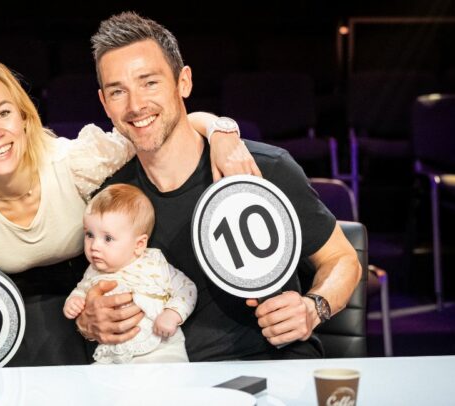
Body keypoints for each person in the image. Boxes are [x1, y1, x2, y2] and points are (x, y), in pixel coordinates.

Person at [0, 57, 257, 366]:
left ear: (23, 118)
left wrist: (219, 129)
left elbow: (154, 130)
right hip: (24, 321)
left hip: (97, 309)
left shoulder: (75, 160)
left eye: (3, 113)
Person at [75, 12, 362, 361]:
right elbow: (90, 297)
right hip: (164, 386)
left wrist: (314, 307)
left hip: (270, 370)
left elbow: (343, 259)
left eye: (149, 82)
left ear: (184, 82)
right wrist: (88, 322)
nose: (136, 106)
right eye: (118, 91)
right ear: (104, 103)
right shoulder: (110, 199)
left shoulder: (262, 168)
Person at [63, 184, 196, 364]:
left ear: (139, 245)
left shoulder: (153, 263)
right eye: (89, 235)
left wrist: (172, 314)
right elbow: (82, 290)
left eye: (107, 238)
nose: (94, 246)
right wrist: (75, 301)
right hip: (115, 355)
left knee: (165, 379)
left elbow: (186, 289)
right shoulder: (93, 271)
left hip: (159, 349)